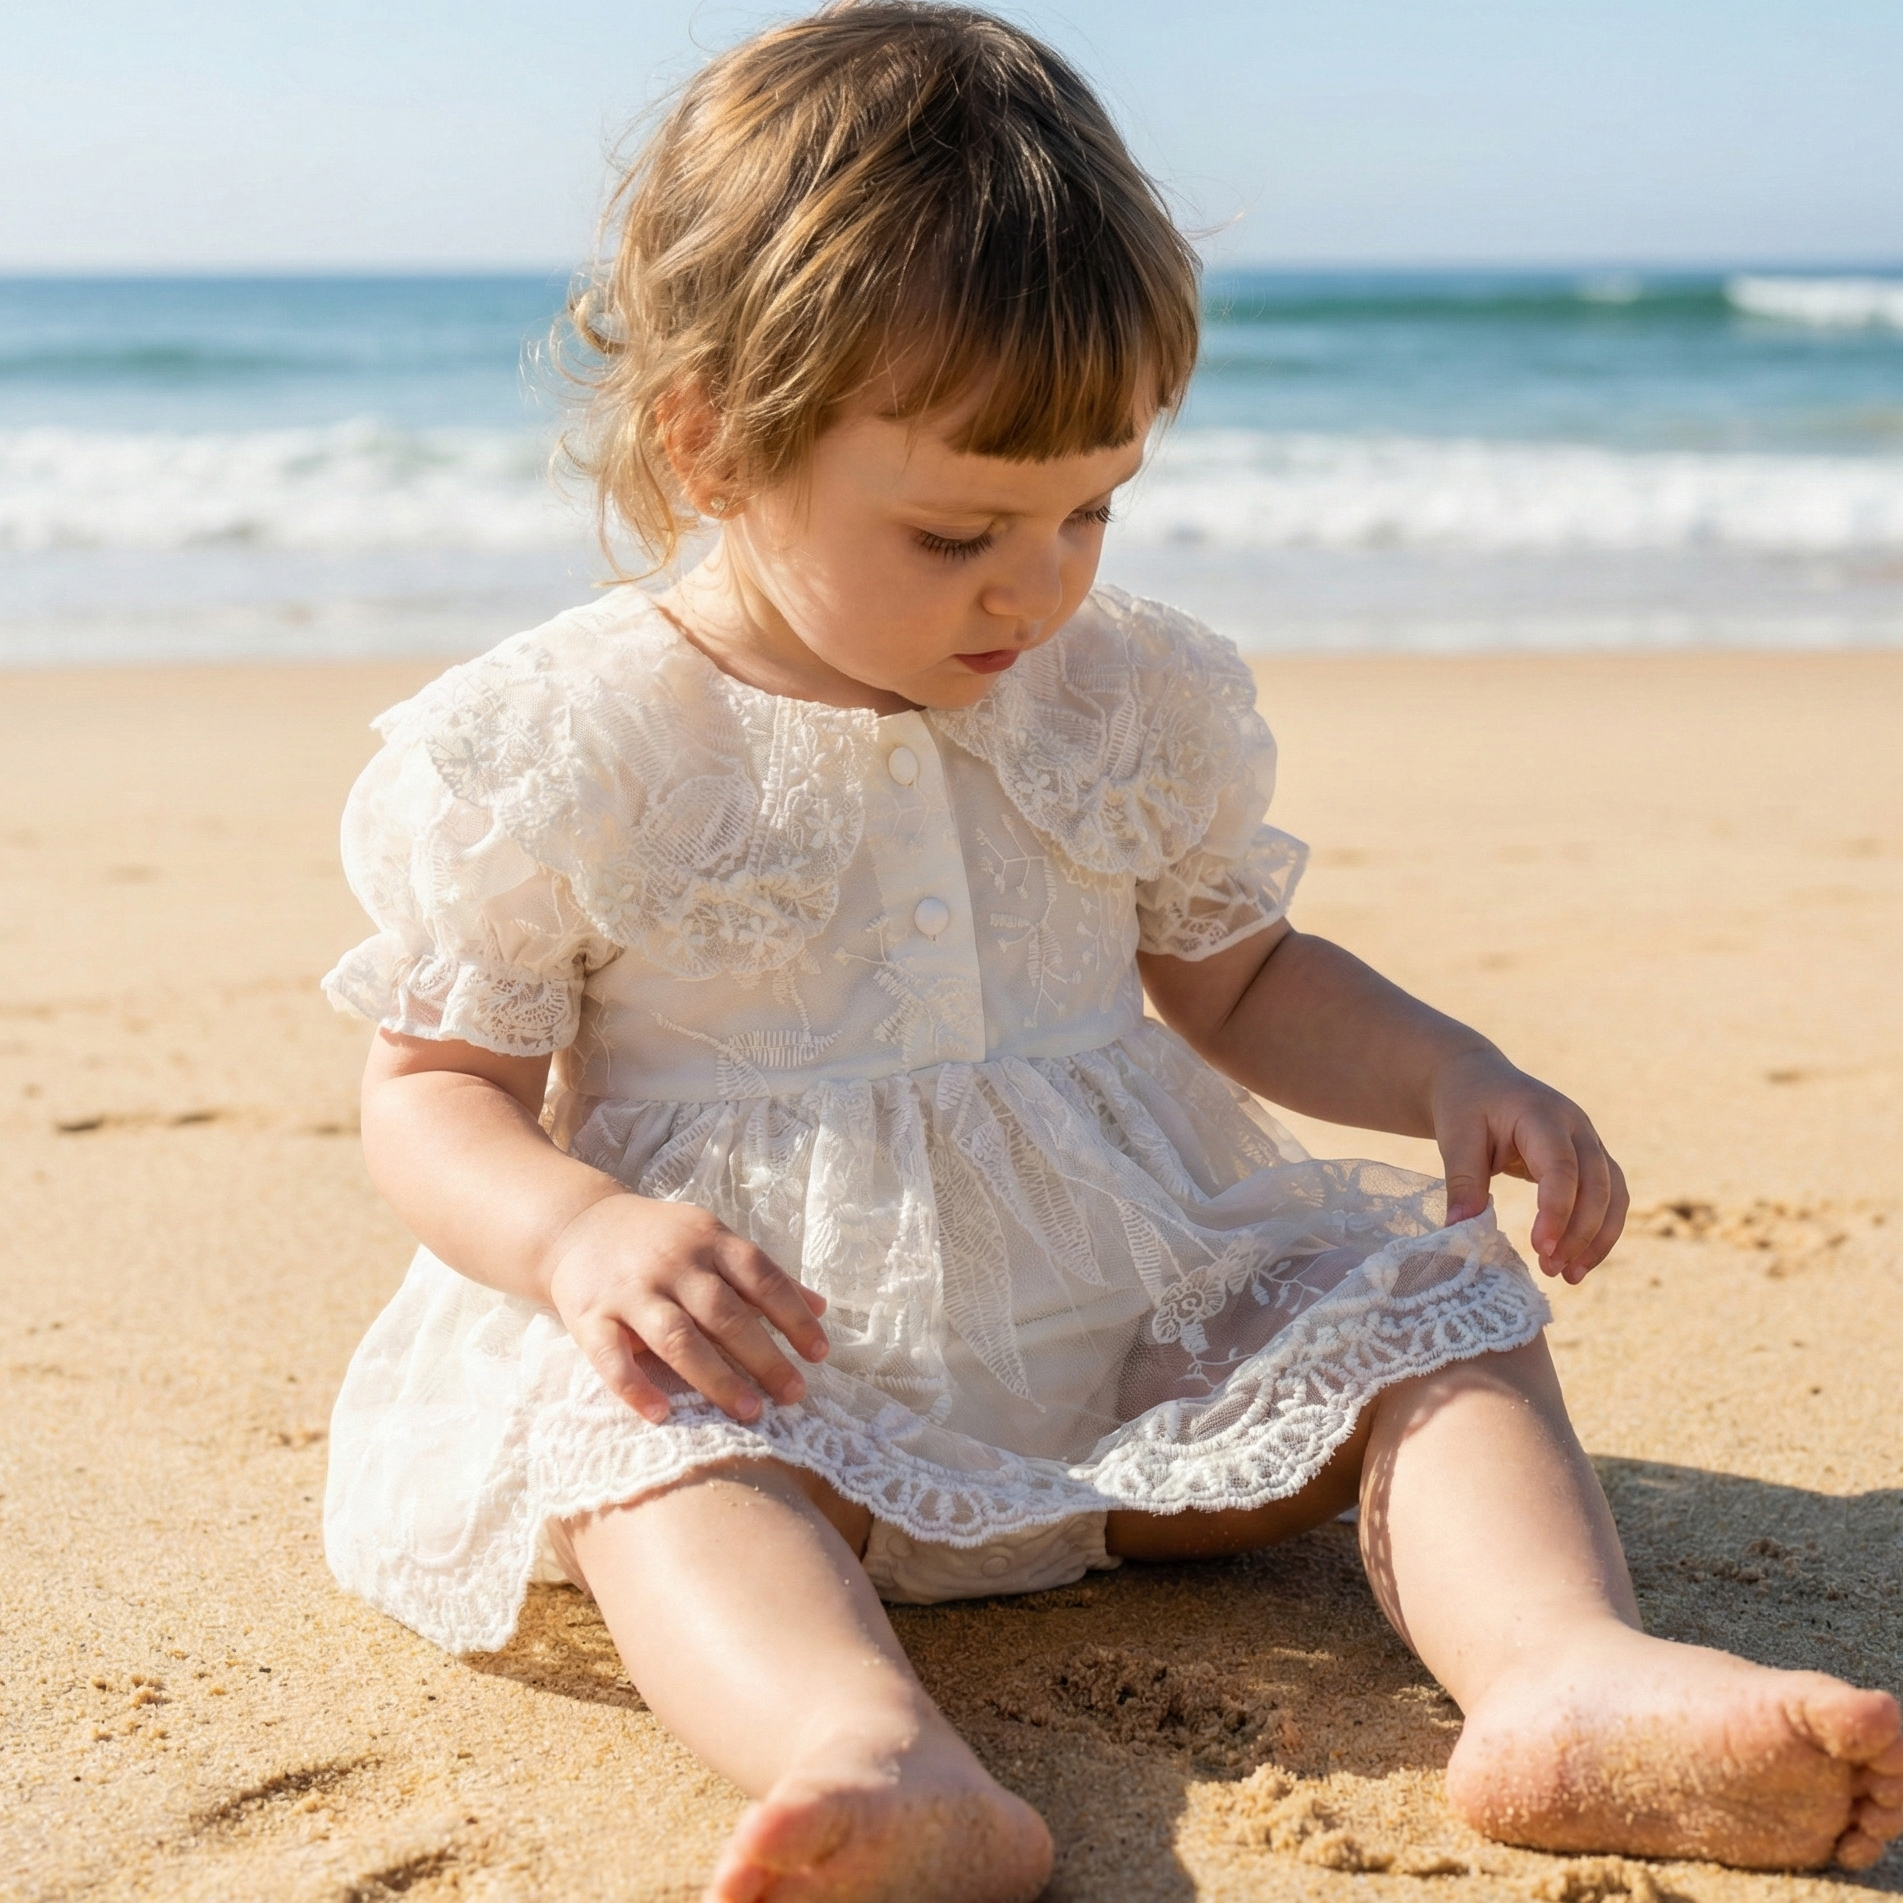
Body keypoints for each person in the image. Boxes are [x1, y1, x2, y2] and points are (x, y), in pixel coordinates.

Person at [320, 7, 1903, 1899]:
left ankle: (1564, 1678)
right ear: (716, 442)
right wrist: (572, 1237)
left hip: (1132, 1333)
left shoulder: (1120, 687)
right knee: (639, 1444)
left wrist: (1445, 1072)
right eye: (957, 526)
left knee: (1425, 1312)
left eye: (1091, 505)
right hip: (777, 1358)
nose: (1037, 579)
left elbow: (1236, 978)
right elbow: (434, 1093)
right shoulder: (564, 745)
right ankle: (872, 1752)